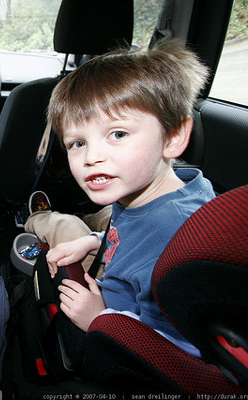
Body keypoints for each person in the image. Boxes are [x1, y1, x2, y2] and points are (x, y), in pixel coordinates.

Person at [35, 40, 214, 359]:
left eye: (117, 134)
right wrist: (93, 241)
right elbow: (134, 238)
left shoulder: (178, 240)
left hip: (112, 346)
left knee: (55, 224)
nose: (92, 157)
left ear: (172, 137)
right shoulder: (160, 192)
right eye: (77, 143)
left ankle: (37, 218)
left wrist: (100, 319)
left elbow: (181, 355)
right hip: (110, 296)